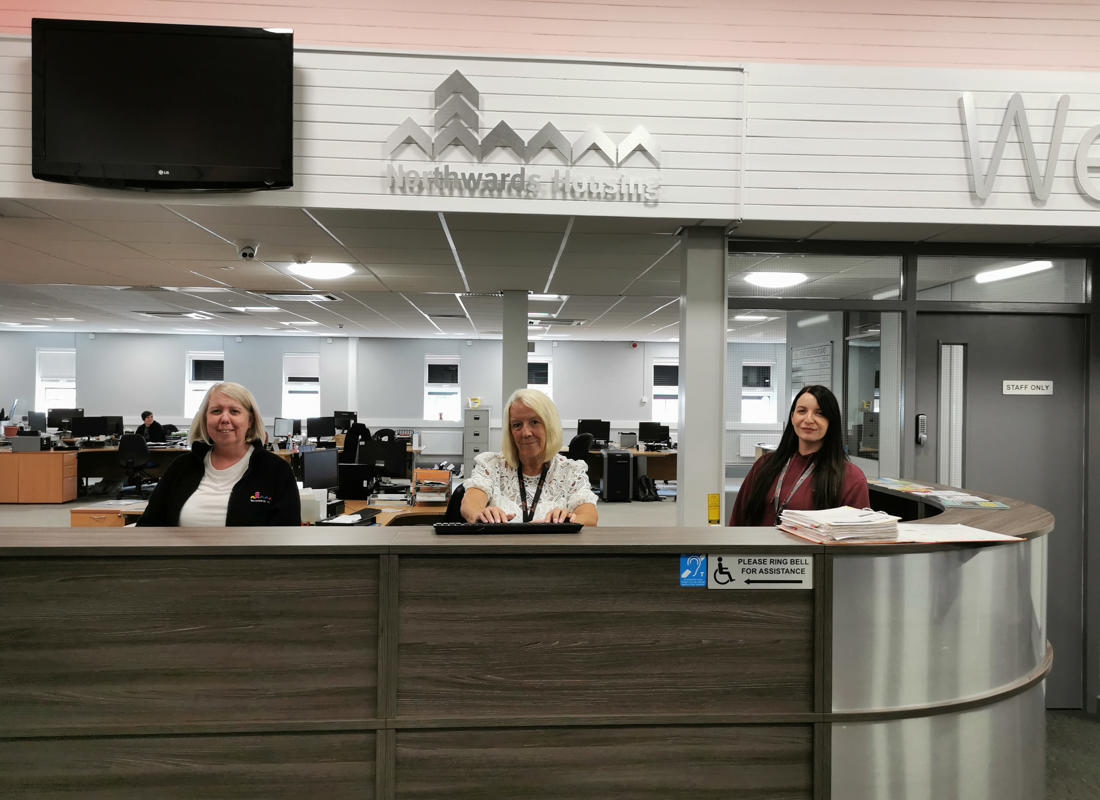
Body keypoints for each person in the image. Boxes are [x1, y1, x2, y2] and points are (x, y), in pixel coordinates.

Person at [137, 382, 300, 526]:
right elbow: (149, 526)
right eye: (216, 411)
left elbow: (286, 542)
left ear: (250, 421)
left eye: (235, 411)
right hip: (184, 560)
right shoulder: (182, 467)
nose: (224, 418)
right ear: (205, 419)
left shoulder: (276, 470)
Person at [729, 384, 868, 527]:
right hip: (761, 548)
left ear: (831, 421)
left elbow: (853, 540)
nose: (808, 419)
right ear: (792, 417)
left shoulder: (850, 477)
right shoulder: (764, 465)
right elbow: (738, 519)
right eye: (802, 411)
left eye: (820, 413)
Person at [461, 388, 599, 526]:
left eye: (534, 422)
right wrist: (480, 515)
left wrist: (568, 520)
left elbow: (590, 516)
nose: (526, 433)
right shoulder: (491, 465)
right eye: (517, 425)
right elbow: (471, 503)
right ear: (510, 432)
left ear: (549, 425)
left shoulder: (571, 471)